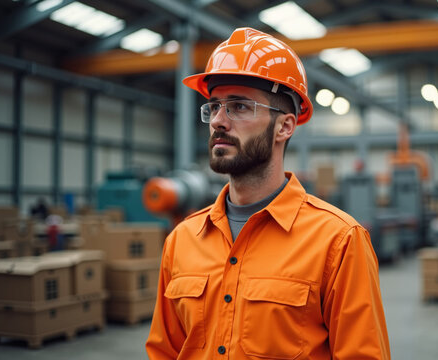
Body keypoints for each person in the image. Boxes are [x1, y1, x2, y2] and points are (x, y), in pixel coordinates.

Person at [146, 27, 391, 360]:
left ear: (285, 126)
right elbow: (164, 352)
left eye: (240, 107)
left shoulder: (339, 243)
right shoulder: (182, 240)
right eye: (214, 106)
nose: (218, 120)